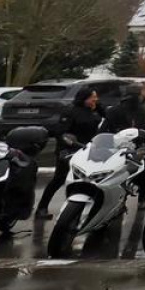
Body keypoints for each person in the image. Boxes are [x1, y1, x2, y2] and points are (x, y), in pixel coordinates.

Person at [37, 85, 107, 219]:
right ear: (84, 98)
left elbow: (107, 117)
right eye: (92, 97)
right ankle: (42, 207)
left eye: (96, 97)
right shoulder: (71, 111)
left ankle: (80, 208)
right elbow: (60, 132)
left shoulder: (94, 109)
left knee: (88, 179)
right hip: (69, 149)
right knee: (59, 178)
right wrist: (68, 145)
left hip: (89, 149)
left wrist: (98, 107)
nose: (95, 99)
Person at [104, 82, 145, 214]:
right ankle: (119, 200)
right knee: (119, 171)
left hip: (144, 142)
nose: (141, 95)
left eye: (143, 91)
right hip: (121, 144)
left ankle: (142, 198)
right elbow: (106, 128)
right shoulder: (118, 109)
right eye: (139, 93)